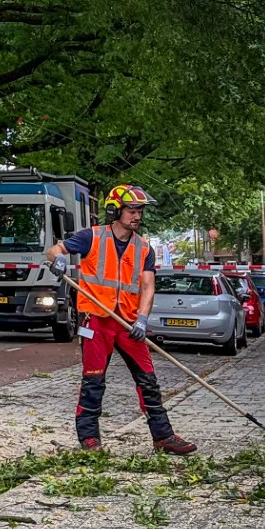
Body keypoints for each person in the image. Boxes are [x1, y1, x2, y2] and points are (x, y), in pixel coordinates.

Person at [42, 184, 197, 456]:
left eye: (140, 211)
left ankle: (163, 436)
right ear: (115, 210)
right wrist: (57, 261)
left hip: (128, 324)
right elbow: (54, 250)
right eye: (132, 210)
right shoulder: (92, 237)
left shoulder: (144, 248)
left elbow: (148, 286)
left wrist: (142, 320)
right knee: (93, 380)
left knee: (148, 381)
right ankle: (89, 438)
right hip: (96, 321)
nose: (137, 216)